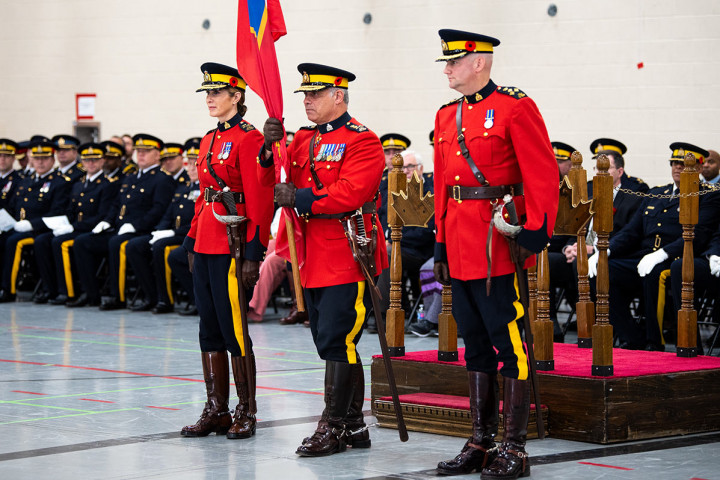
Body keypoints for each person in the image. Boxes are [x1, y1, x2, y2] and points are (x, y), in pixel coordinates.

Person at [431, 30, 558, 479]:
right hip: (460, 242)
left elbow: (540, 170)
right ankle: (480, 442)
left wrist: (536, 231)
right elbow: (445, 185)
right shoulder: (447, 115)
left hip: (496, 244)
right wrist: (440, 244)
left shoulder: (514, 106)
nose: (446, 69)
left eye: (453, 61)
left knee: (509, 345)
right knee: (475, 345)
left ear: (479, 62)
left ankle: (514, 447)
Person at [262, 63, 387, 456]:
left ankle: (332, 425)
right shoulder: (303, 138)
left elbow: (350, 192)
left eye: (315, 94)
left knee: (339, 338)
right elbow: (277, 176)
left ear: (339, 95)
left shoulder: (363, 140)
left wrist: (300, 199)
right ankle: (353, 425)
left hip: (347, 251)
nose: (306, 100)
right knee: (329, 341)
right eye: (304, 94)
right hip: (311, 253)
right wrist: (269, 149)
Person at [180, 62, 273, 440]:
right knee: (209, 329)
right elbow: (205, 197)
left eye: (216, 92)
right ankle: (216, 408)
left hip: (233, 246)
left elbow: (259, 198)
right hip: (205, 242)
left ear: (237, 95)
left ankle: (245, 410)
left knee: (235, 330)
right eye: (207, 92)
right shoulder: (208, 138)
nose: (210, 98)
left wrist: (255, 250)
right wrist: (190, 239)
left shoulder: (250, 138)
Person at [590, 143, 720, 351]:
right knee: (603, 270)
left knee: (656, 274)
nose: (677, 167)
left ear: (698, 168)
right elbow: (632, 231)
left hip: (676, 257)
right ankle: (632, 337)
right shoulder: (657, 193)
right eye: (674, 163)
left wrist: (661, 254)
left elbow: (699, 235)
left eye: (684, 164)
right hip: (644, 256)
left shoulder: (708, 195)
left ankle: (655, 341)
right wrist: (605, 251)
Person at [70, 134, 175, 309]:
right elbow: (117, 204)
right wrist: (107, 221)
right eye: (138, 151)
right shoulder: (131, 178)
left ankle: (117, 296)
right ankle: (91, 294)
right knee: (82, 242)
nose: (140, 155)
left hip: (142, 231)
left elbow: (158, 210)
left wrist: (135, 226)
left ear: (157, 155)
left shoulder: (162, 179)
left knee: (117, 243)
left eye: (146, 152)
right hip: (119, 229)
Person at [33, 143, 119, 305]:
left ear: (102, 162)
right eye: (87, 160)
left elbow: (102, 216)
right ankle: (50, 288)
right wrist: (62, 223)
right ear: (83, 162)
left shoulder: (108, 185)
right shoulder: (78, 184)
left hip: (93, 230)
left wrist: (73, 227)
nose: (91, 164)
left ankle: (72, 292)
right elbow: (70, 210)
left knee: (62, 242)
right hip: (76, 228)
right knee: (42, 240)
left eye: (95, 160)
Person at [0, 140, 72, 302]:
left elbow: (58, 212)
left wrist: (33, 224)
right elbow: (13, 206)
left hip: (40, 229)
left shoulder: (59, 183)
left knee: (14, 242)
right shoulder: (26, 181)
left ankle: (8, 289)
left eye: (45, 158)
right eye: (37, 158)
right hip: (18, 225)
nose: (40, 162)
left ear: (52, 160)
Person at [125, 157, 199, 313]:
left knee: (161, 248)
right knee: (135, 246)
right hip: (171, 233)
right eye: (189, 165)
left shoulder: (206, 190)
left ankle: (167, 300)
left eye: (196, 165)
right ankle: (151, 296)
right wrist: (159, 229)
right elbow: (168, 213)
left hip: (188, 235)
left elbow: (199, 221)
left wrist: (173, 231)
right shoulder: (183, 188)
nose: (191, 169)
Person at [1, 139, 21, 211]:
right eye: (0, 155)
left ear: (13, 158)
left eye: (6, 156)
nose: (2, 159)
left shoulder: (19, 181)